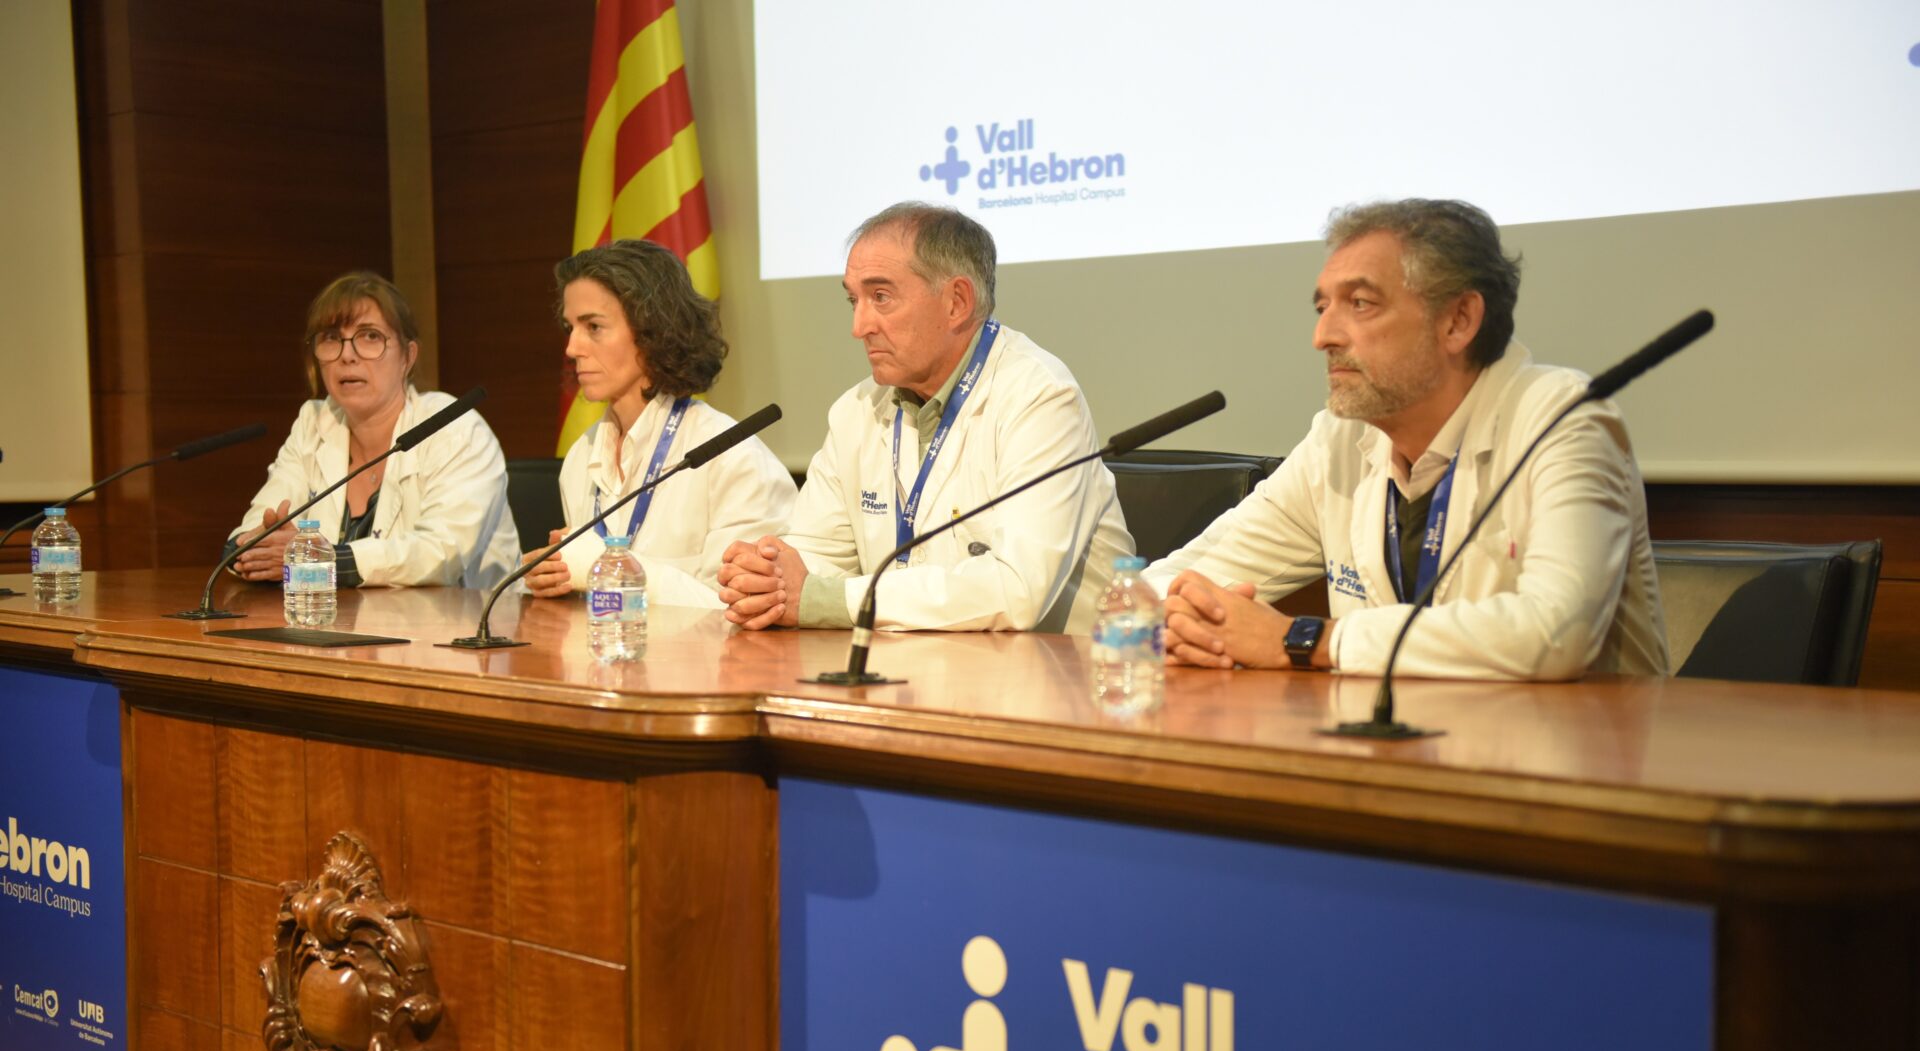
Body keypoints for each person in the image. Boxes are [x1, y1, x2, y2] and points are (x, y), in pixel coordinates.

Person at [1148, 198, 1668, 680]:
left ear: (1458, 321)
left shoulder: (1563, 417)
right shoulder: (1338, 441)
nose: (1323, 336)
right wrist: (1171, 619)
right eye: (1322, 308)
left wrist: (1302, 639)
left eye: (1360, 303)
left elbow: (1557, 631)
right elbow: (1185, 580)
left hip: (1570, 744)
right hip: (1391, 739)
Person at [717, 202, 1131, 633]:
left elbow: (1017, 590)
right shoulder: (855, 409)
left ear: (957, 302)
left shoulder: (1040, 395)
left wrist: (822, 599)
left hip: (1070, 665)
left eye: (881, 297)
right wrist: (768, 578)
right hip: (913, 661)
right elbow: (815, 555)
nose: (859, 326)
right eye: (853, 300)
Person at [519, 239, 796, 607]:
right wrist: (553, 580)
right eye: (570, 327)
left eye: (594, 327)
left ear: (652, 331)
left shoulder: (733, 457)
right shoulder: (580, 456)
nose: (572, 348)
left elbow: (739, 610)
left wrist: (609, 567)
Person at [228, 271, 519, 589]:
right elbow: (252, 535)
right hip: (340, 619)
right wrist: (255, 548)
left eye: (370, 337)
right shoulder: (314, 423)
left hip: (465, 618)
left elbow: (441, 554)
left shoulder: (454, 426)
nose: (347, 356)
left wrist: (321, 560)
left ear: (407, 357)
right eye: (331, 338)